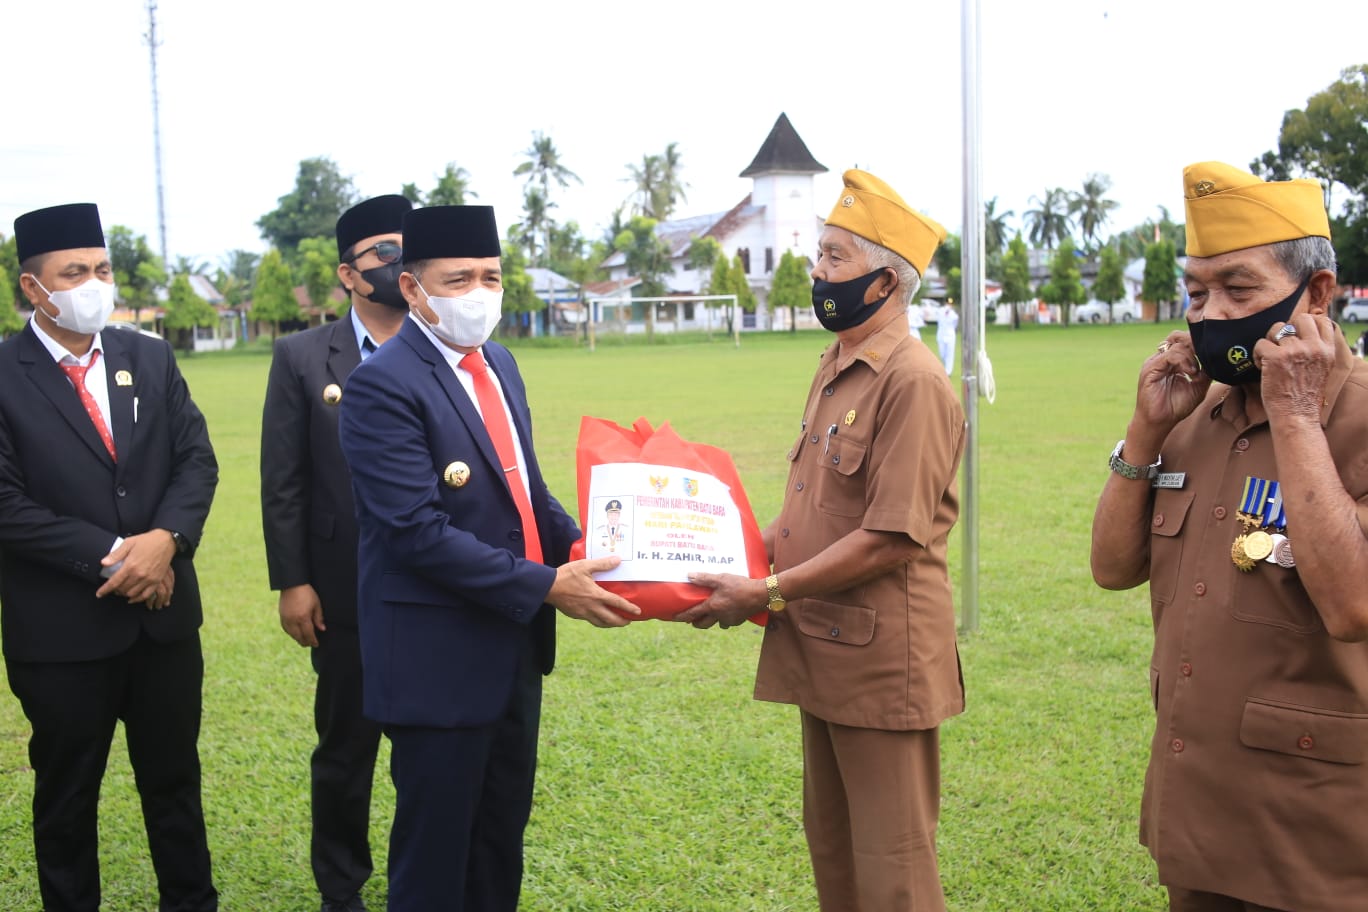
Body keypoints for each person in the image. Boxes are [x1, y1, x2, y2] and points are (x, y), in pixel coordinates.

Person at [337, 205, 640, 912]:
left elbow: (525, 491)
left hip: (513, 646)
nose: (479, 293)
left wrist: (591, 550)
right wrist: (547, 585)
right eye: (458, 279)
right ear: (412, 288)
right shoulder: (383, 383)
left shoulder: (498, 362)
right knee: (435, 858)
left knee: (500, 840)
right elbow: (415, 531)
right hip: (437, 657)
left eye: (491, 277)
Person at [679, 170, 967, 911]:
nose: (817, 272)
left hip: (880, 660)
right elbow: (810, 513)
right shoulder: (840, 366)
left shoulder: (913, 381)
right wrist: (722, 556)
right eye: (819, 254)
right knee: (836, 853)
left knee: (894, 870)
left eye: (836, 257)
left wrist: (765, 590)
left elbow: (891, 538)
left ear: (886, 282)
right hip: (827, 642)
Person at [1090, 161, 1368, 912]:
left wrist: (1297, 415)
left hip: (1318, 832)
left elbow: (1353, 606)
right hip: (1198, 806)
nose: (1211, 315)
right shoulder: (1197, 417)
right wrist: (1145, 431)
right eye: (1196, 293)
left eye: (1238, 290)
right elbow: (1112, 568)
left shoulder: (1359, 419)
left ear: (1316, 293)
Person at [0, 203, 219, 911]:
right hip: (62, 632)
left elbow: (196, 460)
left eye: (101, 269)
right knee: (67, 797)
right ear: (33, 287)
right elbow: (6, 504)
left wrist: (167, 540)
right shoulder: (4, 374)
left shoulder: (147, 356)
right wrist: (120, 556)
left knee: (175, 785)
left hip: (163, 625)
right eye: (74, 272)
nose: (94, 284)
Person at [260, 194, 412, 912]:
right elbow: (283, 480)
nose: (400, 261)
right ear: (349, 274)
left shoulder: (444, 345)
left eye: (407, 247)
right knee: (347, 747)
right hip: (344, 588)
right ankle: (340, 887)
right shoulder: (300, 356)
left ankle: (419, 878)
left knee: (427, 749)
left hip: (437, 585)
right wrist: (293, 581)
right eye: (384, 251)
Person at [936, 301, 958, 374]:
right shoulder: (940, 312)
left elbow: (955, 324)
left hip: (950, 336)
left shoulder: (953, 315)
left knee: (950, 353)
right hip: (941, 335)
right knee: (942, 354)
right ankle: (945, 367)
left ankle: (948, 371)